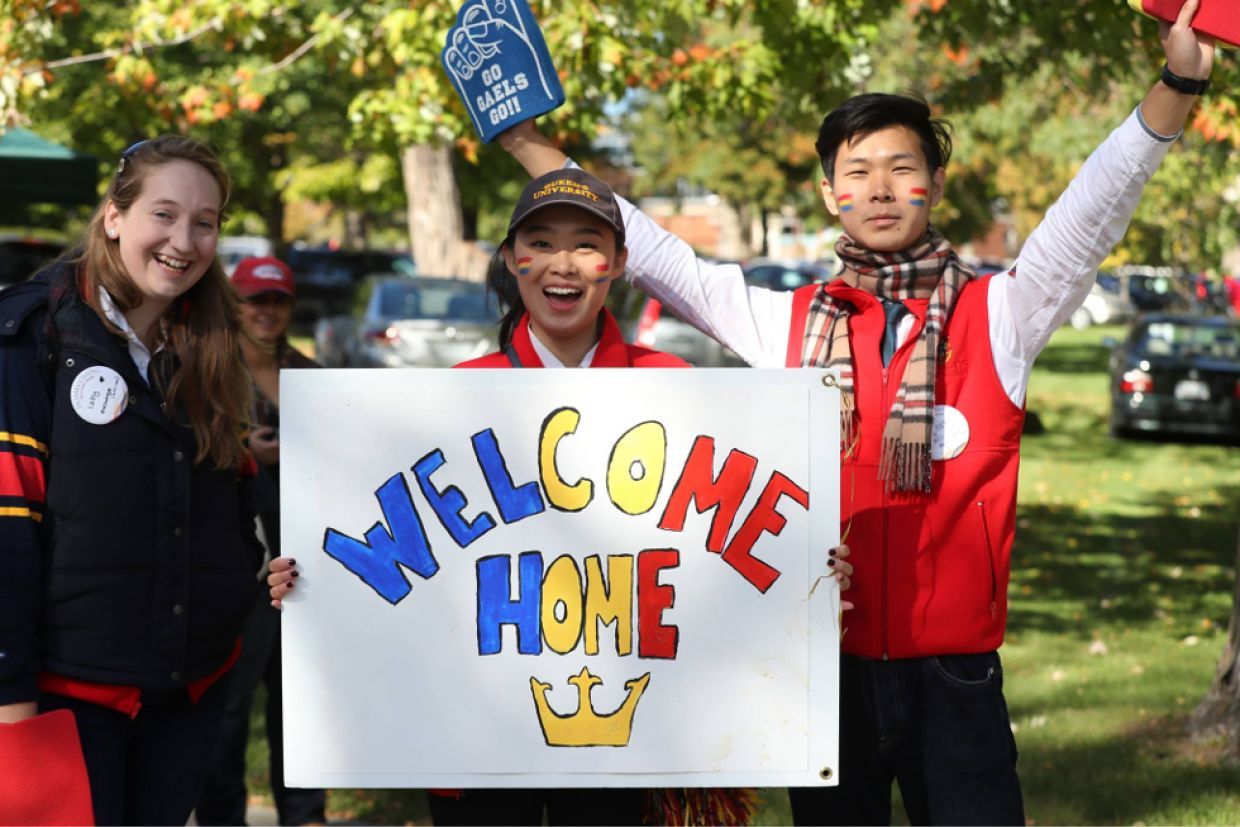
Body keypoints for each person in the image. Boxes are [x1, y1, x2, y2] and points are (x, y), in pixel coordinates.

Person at [489, 4, 1216, 824]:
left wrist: (1178, 83)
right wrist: (524, 143)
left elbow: (1092, 214)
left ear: (934, 186)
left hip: (956, 675)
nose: (879, 188)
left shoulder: (1000, 314)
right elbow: (652, 249)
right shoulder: (788, 323)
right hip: (819, 664)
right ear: (831, 194)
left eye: (901, 168)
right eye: (857, 171)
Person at [267, 168, 855, 825]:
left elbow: (740, 557)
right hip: (476, 736)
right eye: (540, 243)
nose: (562, 263)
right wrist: (311, 584)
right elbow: (375, 564)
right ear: (512, 261)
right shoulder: (458, 394)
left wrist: (812, 570)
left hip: (628, 738)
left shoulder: (678, 387)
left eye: (586, 243)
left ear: (620, 263)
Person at [0, 136, 264, 825]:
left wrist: (252, 576)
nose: (184, 240)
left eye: (205, 222)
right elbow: (7, 533)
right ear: (115, 215)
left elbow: (229, 504)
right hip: (64, 705)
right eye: (164, 214)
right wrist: (10, 706)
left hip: (186, 696)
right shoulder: (33, 337)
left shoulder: (209, 349)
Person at [195, 256, 327, 826]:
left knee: (302, 704)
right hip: (239, 561)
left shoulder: (309, 372)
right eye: (253, 300)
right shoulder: (210, 373)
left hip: (308, 563)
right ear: (234, 304)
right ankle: (223, 817)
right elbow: (191, 457)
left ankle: (305, 816)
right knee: (229, 708)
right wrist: (250, 452)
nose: (265, 312)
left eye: (276, 301)